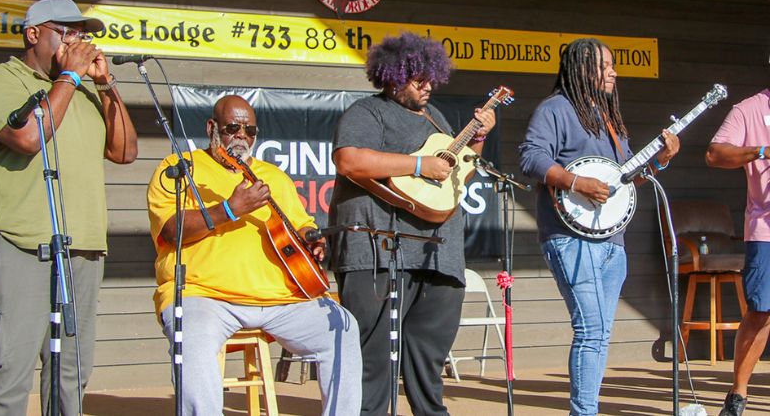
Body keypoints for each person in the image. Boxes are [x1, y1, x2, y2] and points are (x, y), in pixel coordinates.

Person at [0, 0, 138, 415]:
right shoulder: (0, 80)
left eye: (82, 35)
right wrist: (69, 79)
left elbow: (125, 151)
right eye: (67, 33)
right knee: (10, 368)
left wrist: (105, 85)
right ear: (33, 34)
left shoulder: (80, 90)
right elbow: (27, 138)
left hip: (82, 247)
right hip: (22, 244)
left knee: (71, 371)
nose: (78, 43)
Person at [146, 94, 362, 416]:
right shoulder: (182, 168)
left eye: (250, 131)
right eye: (233, 127)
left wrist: (312, 241)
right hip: (205, 296)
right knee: (191, 337)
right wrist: (229, 210)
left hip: (279, 300)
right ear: (212, 127)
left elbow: (302, 225)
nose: (242, 137)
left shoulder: (272, 176)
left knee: (342, 326)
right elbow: (169, 230)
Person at [328, 32, 496, 416]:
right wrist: (418, 164)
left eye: (431, 77)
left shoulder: (436, 117)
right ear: (391, 76)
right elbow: (350, 161)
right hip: (378, 248)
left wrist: (480, 135)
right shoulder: (366, 113)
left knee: (429, 349)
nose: (427, 86)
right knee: (371, 355)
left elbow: (457, 174)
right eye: (417, 78)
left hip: (438, 251)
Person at [518, 38, 679, 416]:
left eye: (613, 65)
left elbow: (626, 179)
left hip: (612, 240)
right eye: (604, 65)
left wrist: (661, 161)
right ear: (580, 69)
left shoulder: (610, 120)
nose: (614, 72)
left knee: (601, 334)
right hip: (570, 238)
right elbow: (530, 157)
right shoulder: (555, 109)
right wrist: (576, 183)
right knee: (591, 330)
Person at [706, 89, 770, 416]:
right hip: (766, 228)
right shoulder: (750, 109)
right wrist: (762, 150)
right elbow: (715, 153)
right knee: (761, 311)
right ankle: (738, 395)